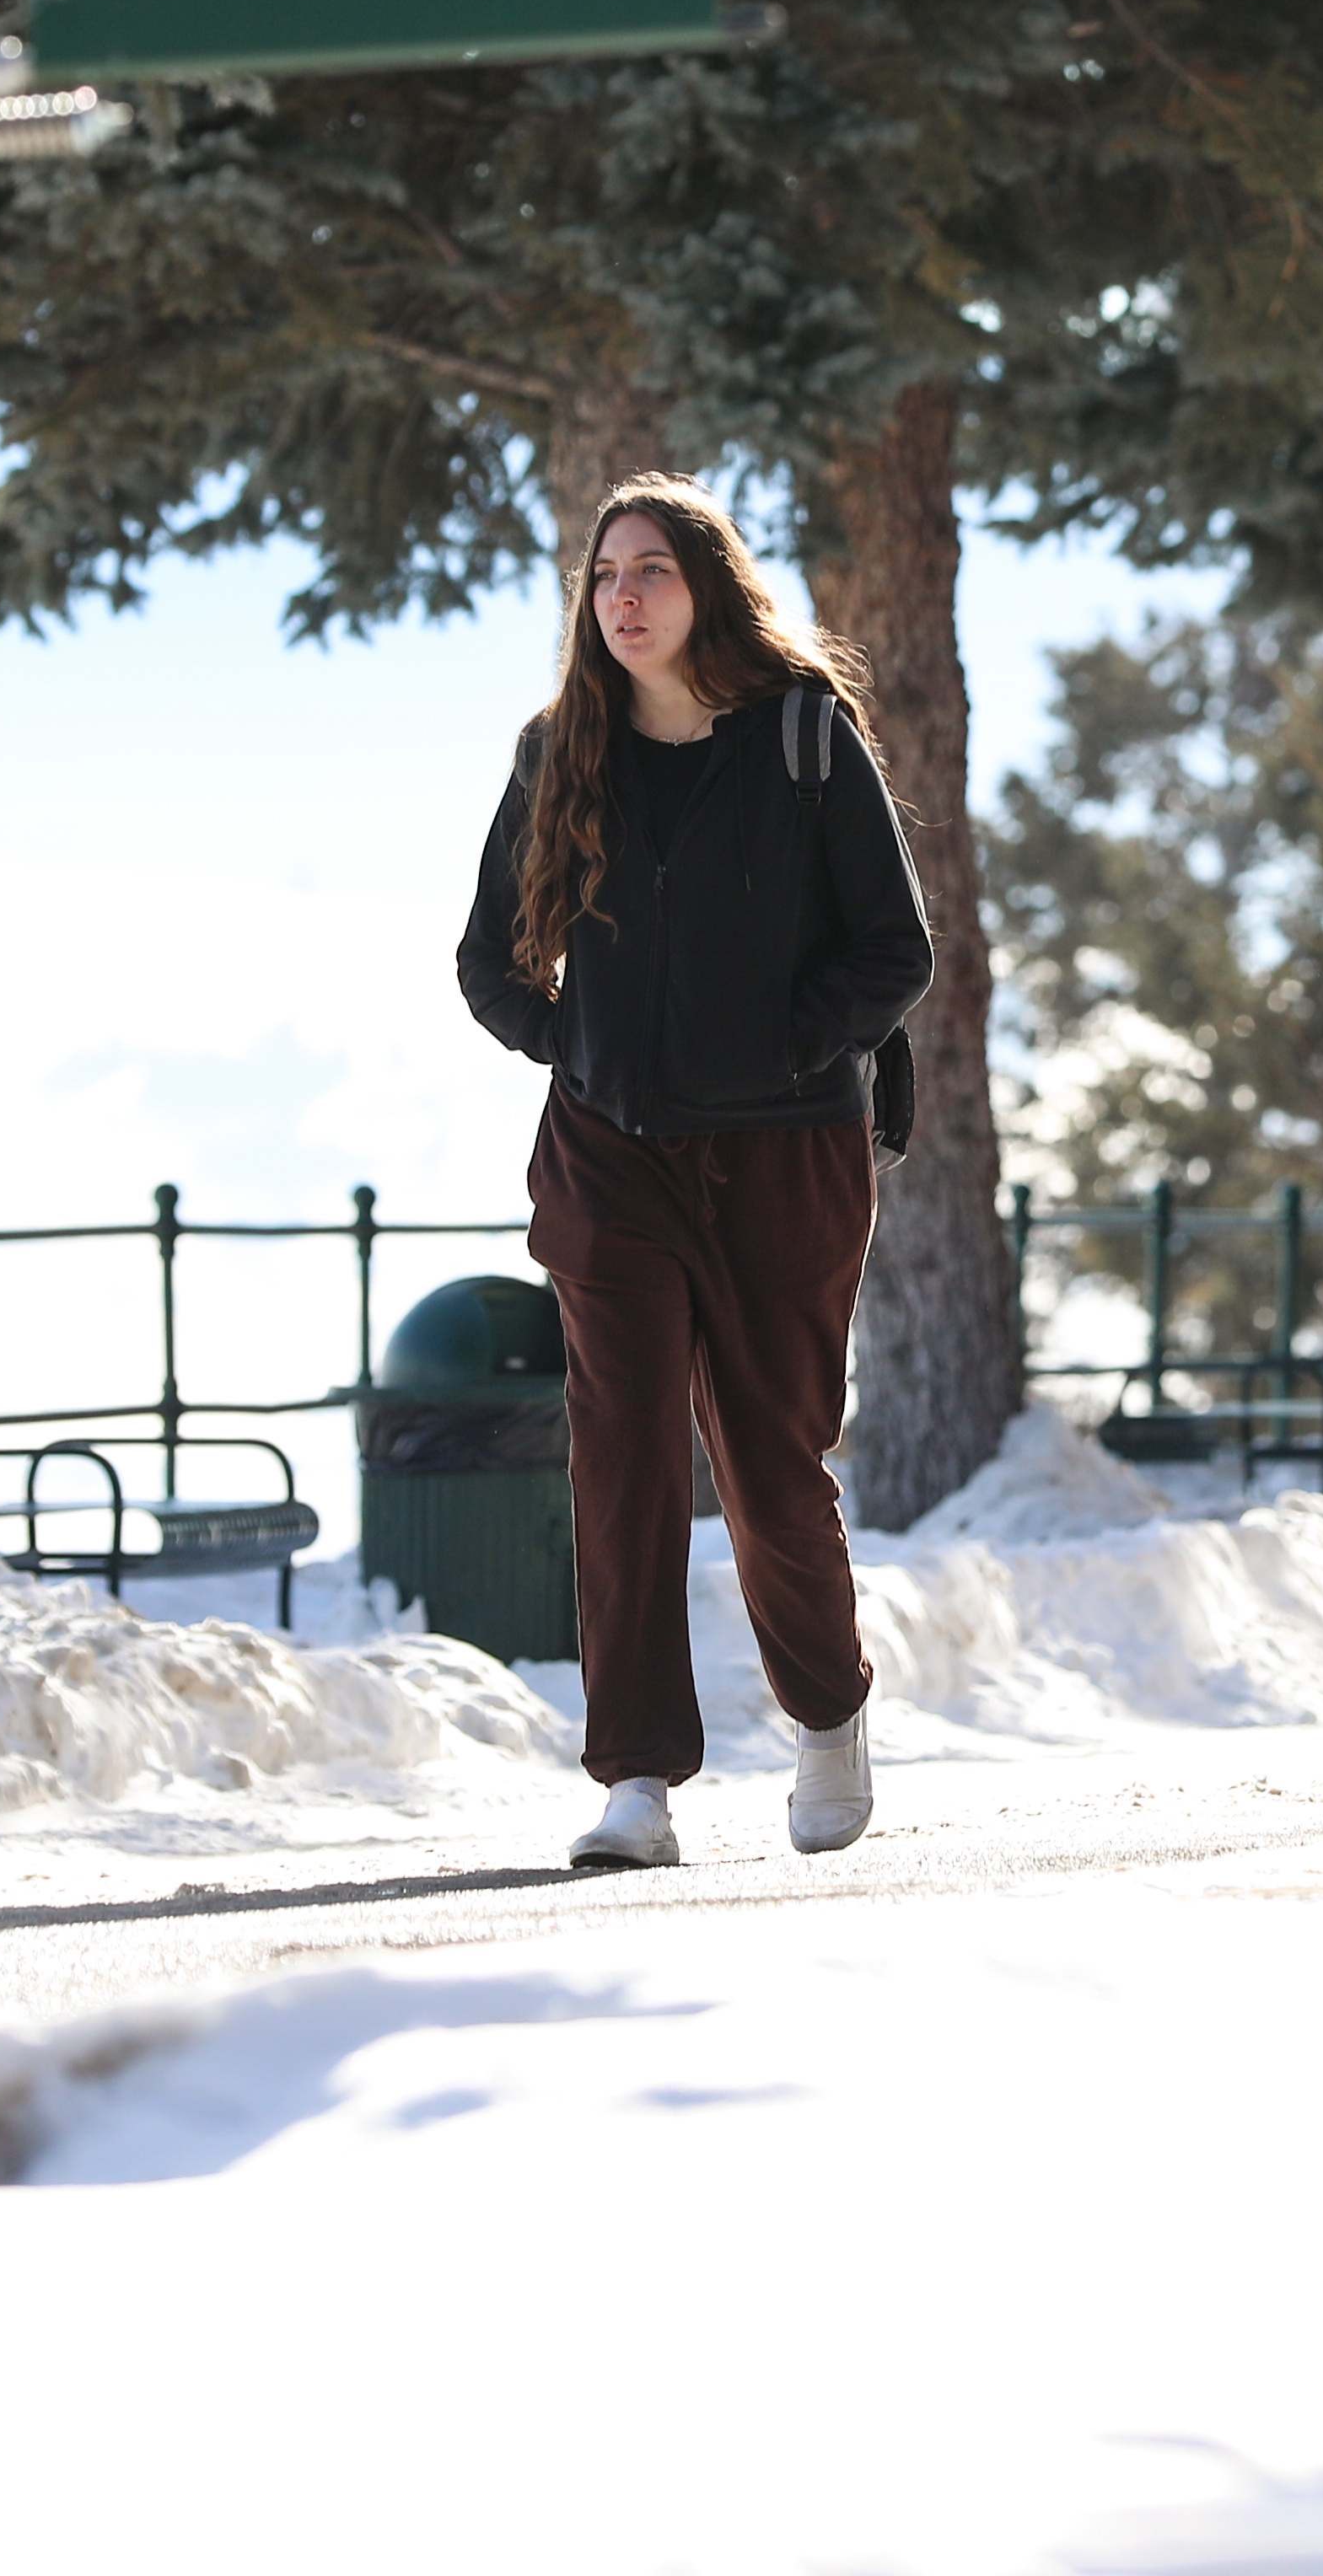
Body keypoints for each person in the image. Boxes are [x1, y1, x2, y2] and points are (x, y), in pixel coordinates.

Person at [459, 476, 934, 1874]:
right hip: (611, 1157)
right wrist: (587, 1046)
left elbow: (892, 951)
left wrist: (775, 1049)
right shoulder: (560, 755)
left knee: (773, 1464)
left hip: (787, 1155)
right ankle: (638, 1781)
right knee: (618, 1458)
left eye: (652, 569)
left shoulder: (802, 738)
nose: (623, 596)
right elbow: (489, 960)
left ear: (708, 587)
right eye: (604, 575)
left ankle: (831, 1713)